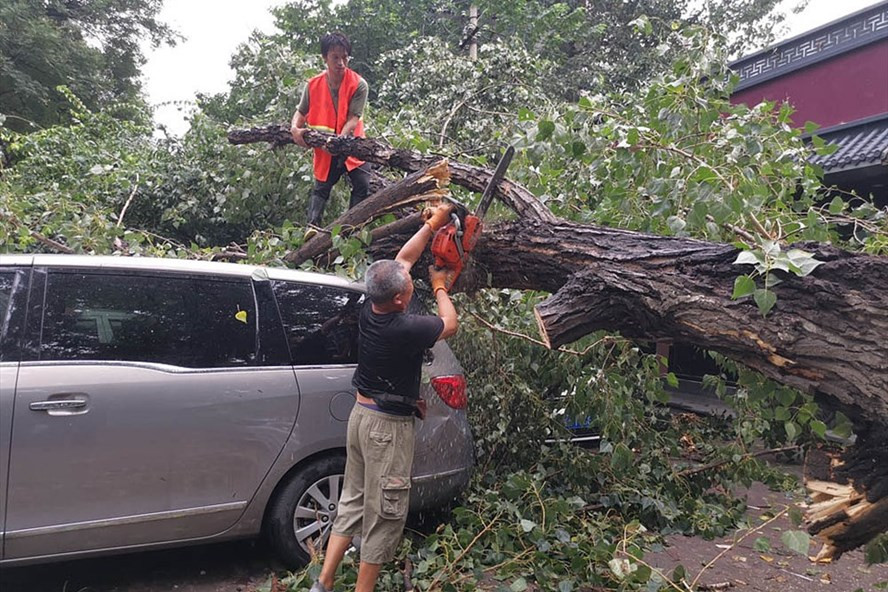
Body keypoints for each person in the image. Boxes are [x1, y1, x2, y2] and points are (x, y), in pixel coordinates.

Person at [310, 203, 459, 592]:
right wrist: (441, 286)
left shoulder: (370, 304)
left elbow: (402, 261)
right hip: (385, 431)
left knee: (353, 501)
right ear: (398, 300)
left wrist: (431, 225)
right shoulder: (405, 327)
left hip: (361, 417)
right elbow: (451, 324)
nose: (410, 284)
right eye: (408, 287)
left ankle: (323, 584)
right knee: (385, 514)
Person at [291, 32, 372, 227]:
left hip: (353, 144)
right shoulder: (313, 85)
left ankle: (351, 229)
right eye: (335, 57)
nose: (341, 63)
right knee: (321, 189)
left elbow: (354, 118)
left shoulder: (359, 84)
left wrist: (340, 141)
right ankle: (312, 229)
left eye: (345, 57)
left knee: (362, 185)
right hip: (325, 148)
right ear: (325, 58)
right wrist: (295, 129)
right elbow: (300, 112)